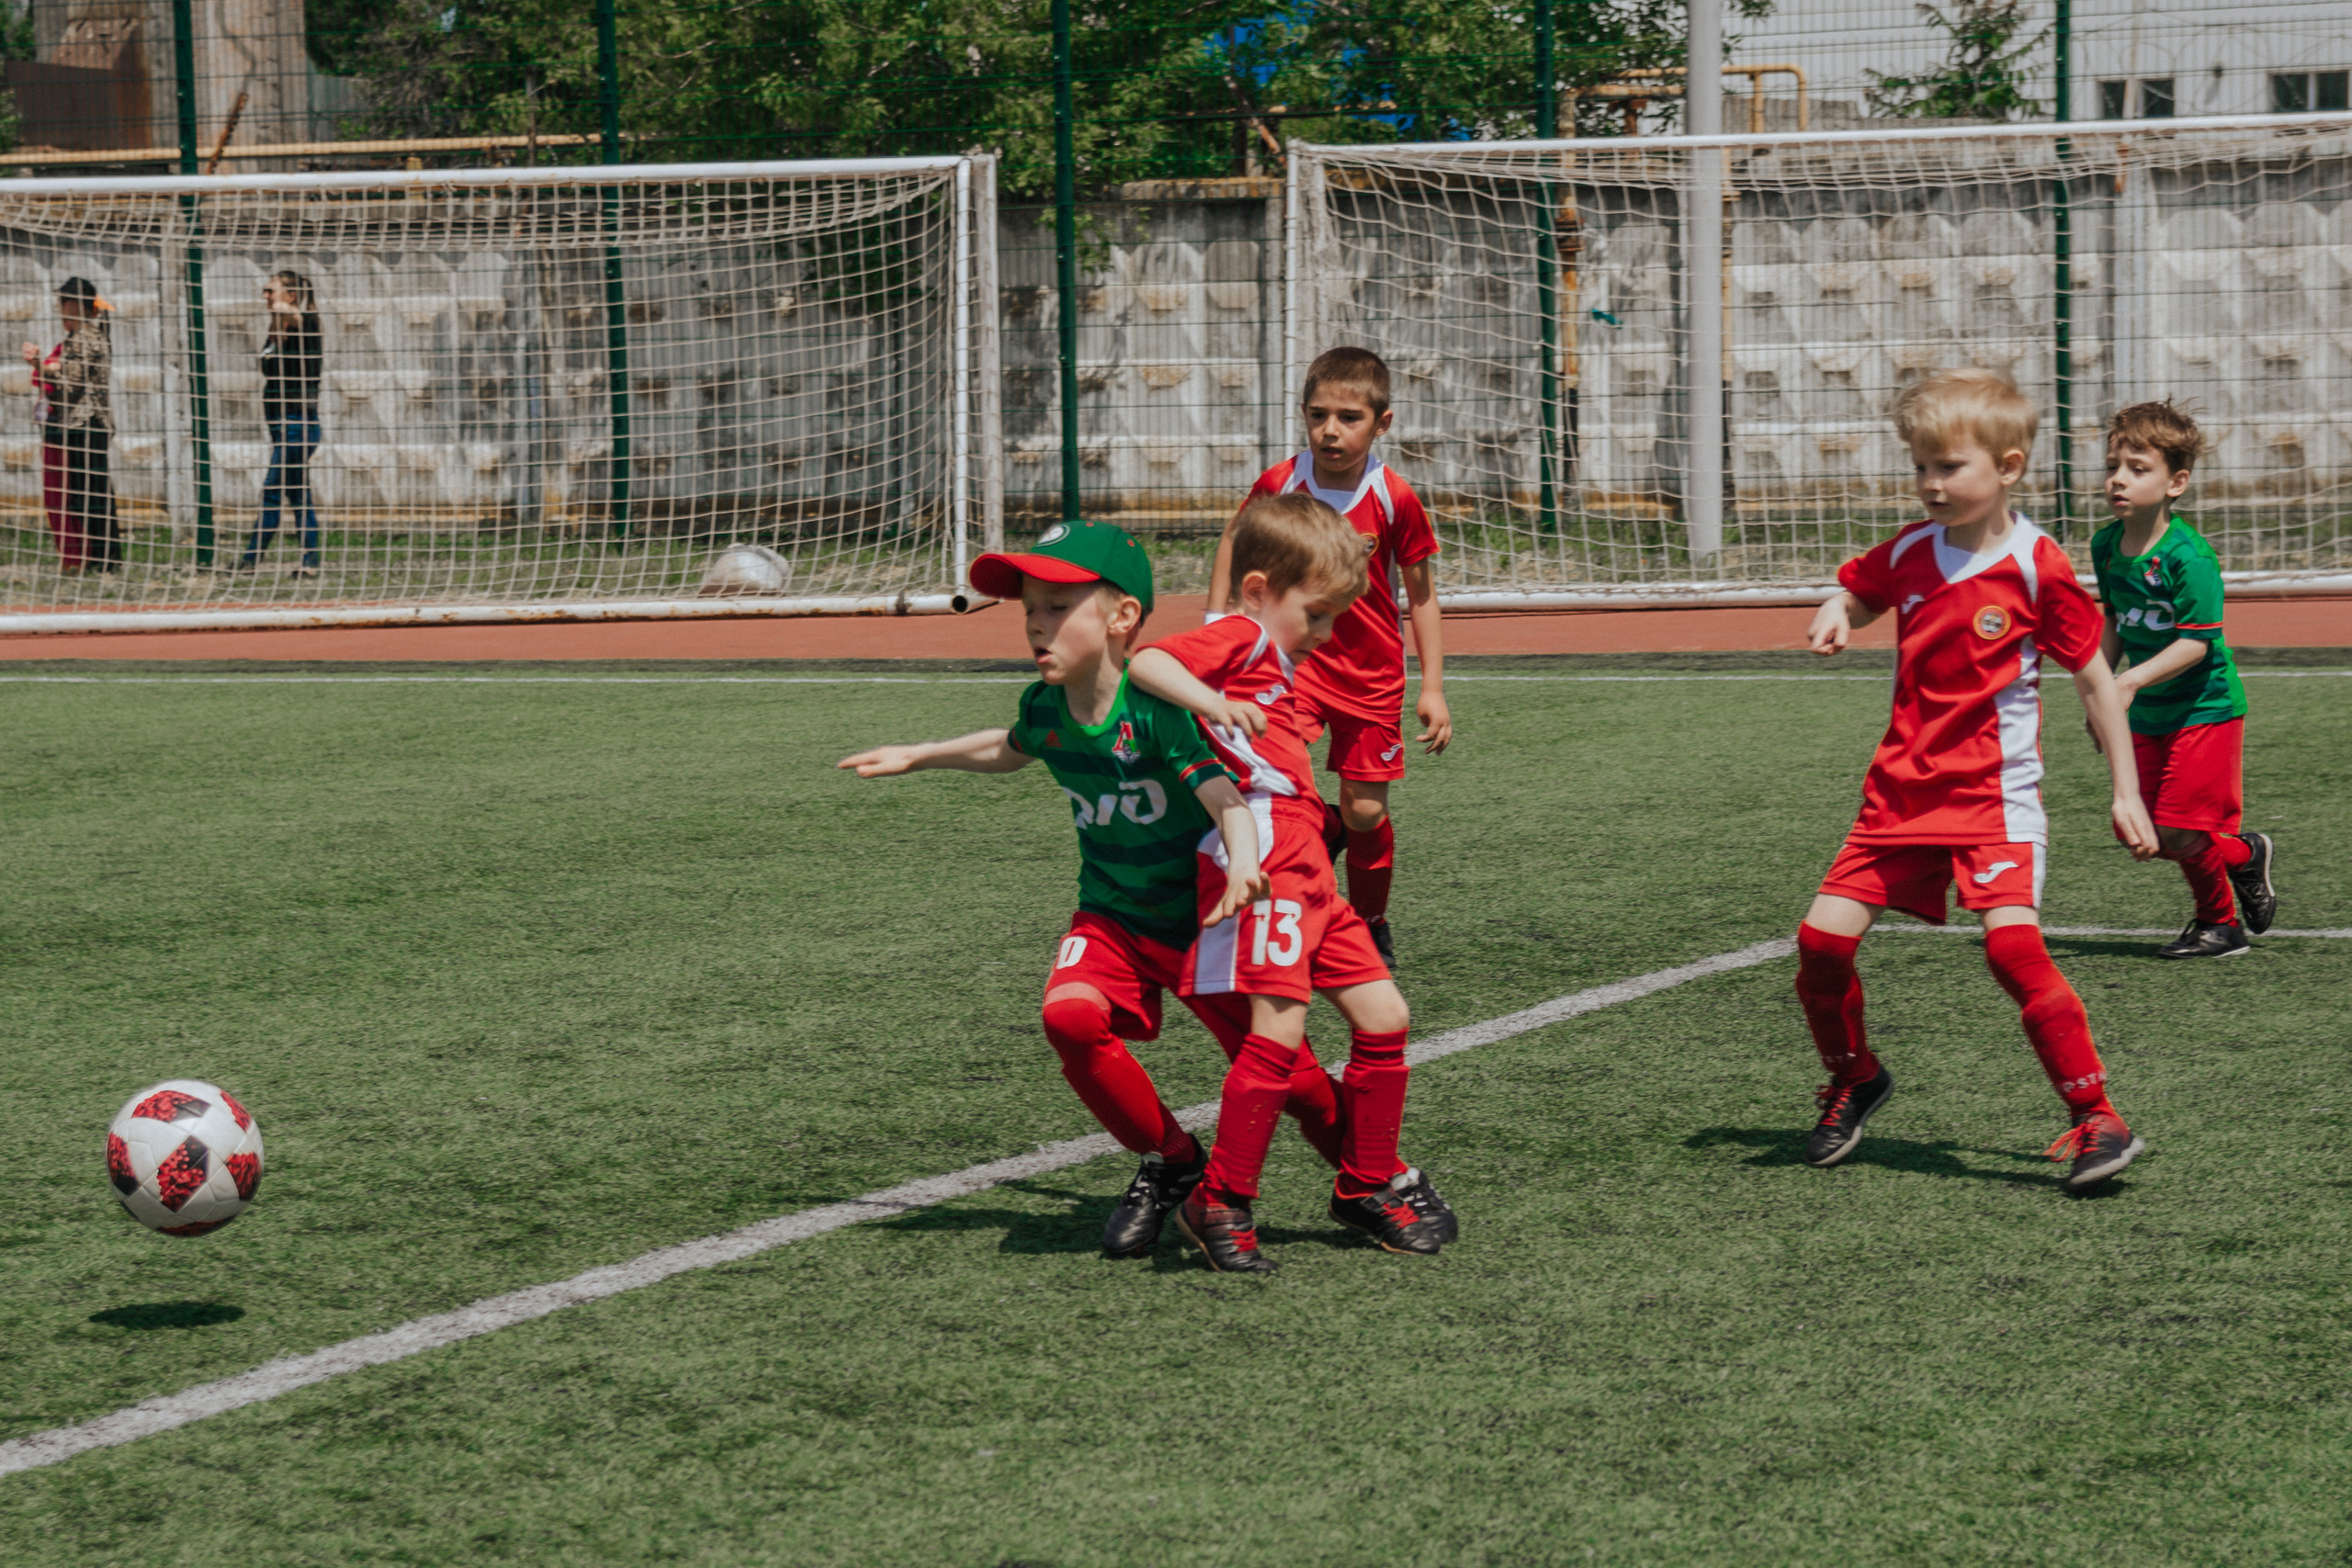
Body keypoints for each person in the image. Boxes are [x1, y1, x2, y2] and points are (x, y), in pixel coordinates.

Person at [836, 519, 1364, 1260]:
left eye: (1057, 607)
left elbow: (1227, 800)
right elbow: (1009, 748)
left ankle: (1373, 1178)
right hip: (1113, 916)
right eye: (1030, 608)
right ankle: (1173, 1159)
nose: (1036, 623)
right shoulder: (1046, 706)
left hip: (1205, 919)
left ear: (1123, 617)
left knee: (1298, 1084)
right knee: (1069, 1018)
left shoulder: (1158, 710)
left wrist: (1246, 864)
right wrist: (918, 753)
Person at [1794, 367, 2161, 1193]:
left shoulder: (2037, 565)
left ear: (2008, 466)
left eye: (1949, 466)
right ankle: (1855, 1076)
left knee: (2012, 948)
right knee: (1820, 944)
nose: (1931, 483)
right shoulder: (1910, 551)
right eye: (1921, 466)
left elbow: (2095, 678)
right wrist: (1838, 608)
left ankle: (2097, 1115)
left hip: (1995, 799)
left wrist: (2125, 790)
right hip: (1898, 796)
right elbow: (1862, 591)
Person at [1132, 491, 1450, 1271]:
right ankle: (1220, 1198)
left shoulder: (1271, 654)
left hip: (1307, 861)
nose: (1326, 633)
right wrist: (1212, 701)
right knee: (1276, 1032)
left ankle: (1364, 1182)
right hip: (1267, 855)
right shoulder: (1240, 635)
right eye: (1317, 614)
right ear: (1258, 591)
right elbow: (1147, 661)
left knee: (1386, 1016)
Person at [1207, 346, 1450, 969]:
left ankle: (1370, 920)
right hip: (1294, 669)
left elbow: (1421, 595)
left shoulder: (1393, 497)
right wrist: (1218, 620)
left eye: (1348, 417)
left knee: (1365, 812)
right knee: (1275, 783)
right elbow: (1235, 538)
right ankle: (1293, 905)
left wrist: (1432, 687)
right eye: (1318, 416)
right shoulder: (1281, 484)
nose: (1330, 431)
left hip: (1371, 678)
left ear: (1382, 423)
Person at [2088, 400, 2275, 959]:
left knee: (2175, 830)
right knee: (2140, 830)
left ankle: (2221, 927)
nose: (2119, 479)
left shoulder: (2189, 557)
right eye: (2113, 466)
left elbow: (2196, 644)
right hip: (2150, 713)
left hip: (2205, 708)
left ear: (2177, 483)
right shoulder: (2105, 545)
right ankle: (2244, 855)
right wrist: (2100, 688)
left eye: (2137, 468)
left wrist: (2127, 684)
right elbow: (2114, 620)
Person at [23, 277, 118, 574]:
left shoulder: (86, 338)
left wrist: (39, 367)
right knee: (87, 493)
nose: (59, 309)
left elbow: (71, 386)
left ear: (76, 305)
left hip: (86, 423)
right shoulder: (79, 338)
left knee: (90, 494)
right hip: (81, 424)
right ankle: (101, 557)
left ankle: (104, 559)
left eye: (63, 303)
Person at [239, 270, 323, 575]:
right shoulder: (275, 330)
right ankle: (310, 561)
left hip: (298, 425)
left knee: (272, 489)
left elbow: (298, 317)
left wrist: (283, 308)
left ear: (290, 295)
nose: (264, 296)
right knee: (298, 494)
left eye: (270, 290)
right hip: (280, 425)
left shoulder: (307, 323)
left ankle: (250, 560)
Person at [23, 314, 71, 572]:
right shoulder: (64, 345)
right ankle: (69, 556)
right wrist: (39, 364)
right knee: (55, 495)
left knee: (65, 494)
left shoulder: (79, 346)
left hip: (66, 429)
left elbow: (54, 375)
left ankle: (75, 557)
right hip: (52, 429)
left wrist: (40, 365)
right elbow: (44, 376)